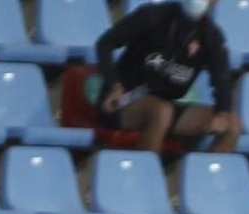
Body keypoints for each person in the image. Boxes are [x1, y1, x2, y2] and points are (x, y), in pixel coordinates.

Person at [94, 0, 240, 155]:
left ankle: (208, 174)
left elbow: (222, 80)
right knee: (161, 112)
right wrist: (113, 84)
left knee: (232, 124)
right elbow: (105, 44)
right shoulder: (152, 16)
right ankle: (148, 175)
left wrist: (222, 112)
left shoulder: (211, 36)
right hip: (124, 100)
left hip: (167, 103)